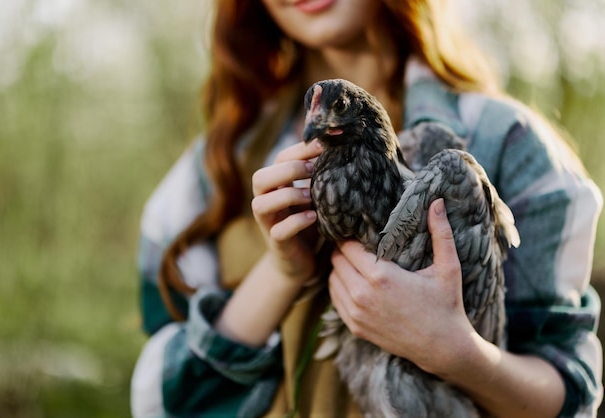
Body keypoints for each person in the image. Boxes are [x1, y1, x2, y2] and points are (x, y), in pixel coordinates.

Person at [130, 0, 604, 416]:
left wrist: (457, 353)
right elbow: (161, 399)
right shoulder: (214, 166)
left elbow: (573, 395)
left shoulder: (511, 144)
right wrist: (282, 273)